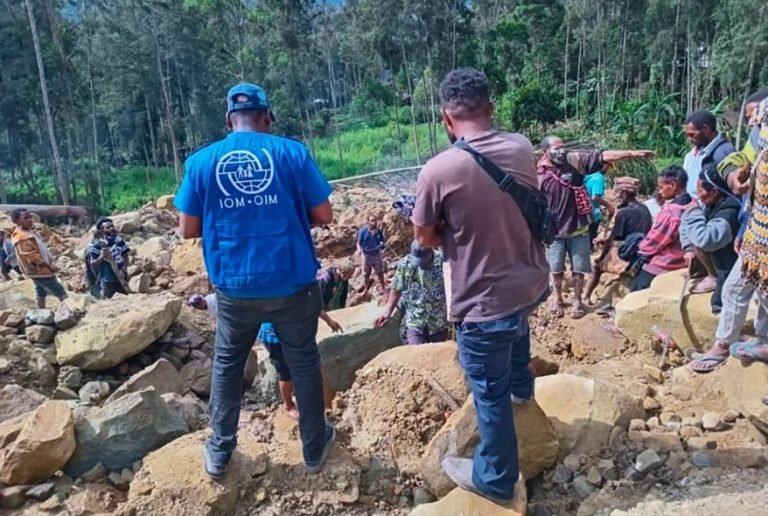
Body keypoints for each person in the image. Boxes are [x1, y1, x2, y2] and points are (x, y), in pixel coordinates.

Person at [174, 82, 335, 480]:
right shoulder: (292, 153)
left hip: (234, 287)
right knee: (304, 362)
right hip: (293, 284)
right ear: (266, 118)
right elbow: (326, 214)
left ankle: (220, 450)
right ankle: (314, 446)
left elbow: (186, 229)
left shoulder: (201, 162)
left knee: (228, 365)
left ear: (229, 120)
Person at [411, 67, 549, 505]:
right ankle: (524, 393)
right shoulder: (523, 147)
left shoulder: (439, 169)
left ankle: (495, 476)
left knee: (488, 396)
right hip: (528, 283)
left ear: (445, 119)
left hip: (481, 301)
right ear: (491, 109)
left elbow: (423, 238)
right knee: (517, 330)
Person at [690, 93, 768, 375]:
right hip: (756, 239)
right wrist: (735, 173)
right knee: (736, 289)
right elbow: (736, 160)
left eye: (756, 118)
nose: (753, 124)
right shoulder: (760, 139)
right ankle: (724, 345)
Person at [538, 136, 654, 319]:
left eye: (563, 147)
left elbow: (602, 156)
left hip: (578, 229)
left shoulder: (574, 161)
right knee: (556, 269)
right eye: (556, 148)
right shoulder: (538, 173)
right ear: (546, 152)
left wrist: (630, 153)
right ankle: (557, 298)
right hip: (554, 233)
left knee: (579, 268)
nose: (562, 151)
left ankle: (577, 300)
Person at [188, 293, 342, 420]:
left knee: (309, 365)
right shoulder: (270, 287)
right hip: (273, 336)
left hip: (295, 331)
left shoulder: (295, 286)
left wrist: (329, 321)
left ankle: (323, 403)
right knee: (286, 372)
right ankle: (288, 405)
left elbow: (312, 305)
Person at [680, 165, 741, 312]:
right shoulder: (711, 205)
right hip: (719, 257)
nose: (698, 196)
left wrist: (694, 212)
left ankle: (714, 277)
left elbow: (704, 239)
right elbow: (685, 220)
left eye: (700, 191)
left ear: (714, 192)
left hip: (729, 266)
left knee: (723, 303)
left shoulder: (729, 214)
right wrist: (688, 248)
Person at [583, 177, 652, 305]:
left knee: (596, 267)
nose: (615, 196)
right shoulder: (644, 209)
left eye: (617, 193)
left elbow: (613, 240)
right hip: (641, 252)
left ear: (624, 194)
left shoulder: (624, 213)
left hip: (627, 255)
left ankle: (586, 297)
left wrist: (602, 256)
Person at [373, 240, 448, 344]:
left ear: (430, 252)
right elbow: (396, 289)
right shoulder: (405, 263)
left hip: (438, 322)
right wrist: (387, 312)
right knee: (416, 354)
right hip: (415, 321)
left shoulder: (443, 262)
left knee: (436, 357)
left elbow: (453, 288)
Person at [631, 166, 692, 292]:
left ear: (673, 185)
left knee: (637, 287)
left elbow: (654, 242)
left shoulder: (671, 212)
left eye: (661, 187)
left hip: (666, 263)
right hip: (684, 260)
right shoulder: (694, 204)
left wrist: (639, 247)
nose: (659, 192)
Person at [10, 208, 67, 308]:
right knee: (59, 290)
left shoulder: (28, 232)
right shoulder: (21, 237)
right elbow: (32, 257)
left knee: (40, 291)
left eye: (30, 217)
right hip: (38, 270)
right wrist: (49, 266)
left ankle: (40, 311)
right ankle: (71, 310)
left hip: (38, 270)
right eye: (25, 218)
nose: (29, 219)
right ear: (16, 221)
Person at [683, 110, 736, 196]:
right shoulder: (692, 155)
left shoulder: (724, 152)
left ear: (705, 129)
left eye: (692, 135)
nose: (689, 139)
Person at [85, 218, 130, 299]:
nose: (111, 228)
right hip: (108, 281)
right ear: (102, 231)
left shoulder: (119, 241)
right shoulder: (97, 246)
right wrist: (101, 256)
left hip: (121, 277)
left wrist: (124, 269)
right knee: (107, 301)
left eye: (112, 226)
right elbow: (92, 264)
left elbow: (125, 256)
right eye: (108, 227)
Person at [584, 170, 615, 249]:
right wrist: (609, 206)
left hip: (582, 213)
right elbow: (595, 197)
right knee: (590, 242)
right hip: (593, 214)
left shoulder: (586, 175)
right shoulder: (598, 177)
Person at [357, 214, 386, 295]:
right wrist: (359, 250)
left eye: (375, 220)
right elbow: (359, 243)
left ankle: (383, 287)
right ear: (368, 222)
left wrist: (382, 245)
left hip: (376, 254)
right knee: (366, 274)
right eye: (372, 220)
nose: (374, 222)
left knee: (380, 272)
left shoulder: (379, 232)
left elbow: (382, 242)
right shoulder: (362, 231)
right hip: (366, 255)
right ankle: (366, 290)